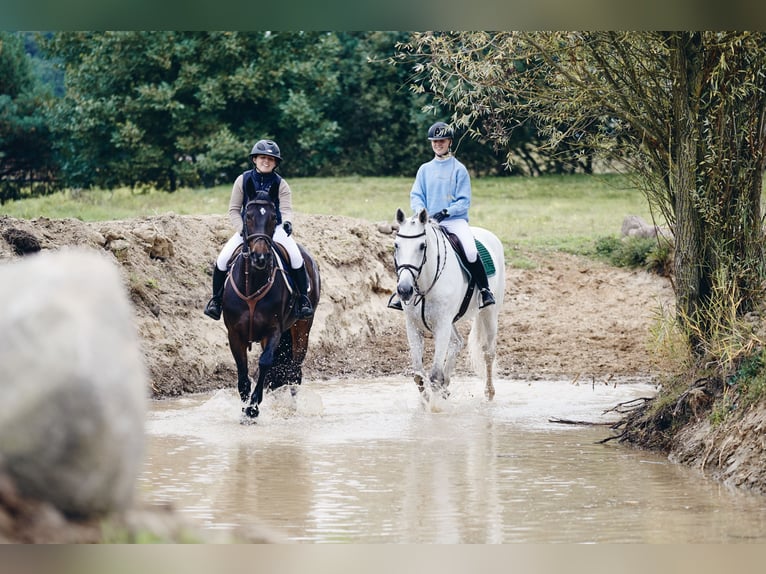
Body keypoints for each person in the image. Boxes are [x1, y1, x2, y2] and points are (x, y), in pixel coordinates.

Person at [388, 121, 495, 310]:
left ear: (450, 142)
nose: (438, 144)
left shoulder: (459, 169)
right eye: (434, 141)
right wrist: (422, 212)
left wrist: (447, 212)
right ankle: (400, 293)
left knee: (470, 251)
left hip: (453, 221)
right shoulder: (424, 169)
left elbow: (464, 201)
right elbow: (416, 195)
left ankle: (485, 290)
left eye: (442, 140)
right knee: (407, 247)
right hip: (427, 221)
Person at [204, 139, 314, 321]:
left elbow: (286, 209)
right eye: (262, 157)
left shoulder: (281, 184)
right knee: (222, 259)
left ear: (275, 163)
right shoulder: (242, 180)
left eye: (271, 159)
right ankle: (216, 301)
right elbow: (233, 210)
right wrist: (242, 230)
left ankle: (303, 301)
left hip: (273, 229)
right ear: (254, 159)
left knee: (295, 257)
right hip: (248, 230)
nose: (266, 161)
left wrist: (287, 222)